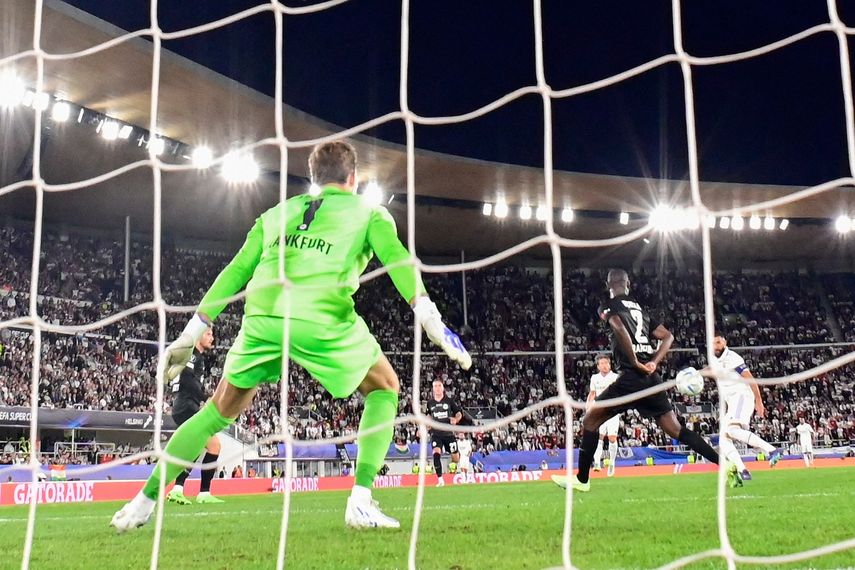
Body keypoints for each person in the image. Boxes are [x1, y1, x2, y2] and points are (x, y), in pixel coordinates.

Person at [111, 140, 471, 533]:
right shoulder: (370, 213)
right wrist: (429, 316)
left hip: (263, 317)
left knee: (215, 413)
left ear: (314, 179)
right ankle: (361, 500)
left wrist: (190, 332)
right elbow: (398, 260)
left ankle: (143, 502)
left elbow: (235, 272)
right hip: (319, 315)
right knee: (385, 387)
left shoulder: (274, 214)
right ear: (353, 179)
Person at [552, 269, 720, 492]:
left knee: (590, 422)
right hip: (652, 379)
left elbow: (619, 327)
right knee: (676, 429)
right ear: (628, 284)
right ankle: (724, 464)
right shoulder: (642, 310)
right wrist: (654, 362)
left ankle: (582, 480)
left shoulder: (608, 306)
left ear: (608, 284)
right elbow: (668, 336)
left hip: (630, 378)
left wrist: (635, 361)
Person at [708, 333, 782, 483]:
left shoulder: (733, 358)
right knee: (723, 439)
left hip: (741, 396)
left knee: (732, 431)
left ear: (725, 343)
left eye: (719, 342)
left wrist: (759, 401)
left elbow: (751, 380)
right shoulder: (715, 360)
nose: (716, 345)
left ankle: (772, 450)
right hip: (732, 402)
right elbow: (710, 370)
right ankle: (742, 469)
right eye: (714, 343)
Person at [166, 325, 224, 505]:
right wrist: (205, 397)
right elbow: (186, 379)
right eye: (208, 333)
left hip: (184, 405)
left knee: (202, 447)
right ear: (198, 336)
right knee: (213, 445)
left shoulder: (193, 356)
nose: (212, 338)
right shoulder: (192, 355)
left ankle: (179, 489)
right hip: (186, 405)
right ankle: (202, 492)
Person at [427, 380, 463, 487]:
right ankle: (440, 479)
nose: (437, 388)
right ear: (433, 389)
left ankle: (458, 468)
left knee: (455, 458)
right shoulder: (430, 403)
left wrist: (456, 420)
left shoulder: (449, 401)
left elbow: (459, 413)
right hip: (436, 434)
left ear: (443, 388)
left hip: (448, 434)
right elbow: (428, 415)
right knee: (436, 454)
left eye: (439, 386)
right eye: (435, 386)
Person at [588, 354, 620, 477]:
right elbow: (592, 394)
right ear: (598, 366)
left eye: (606, 363)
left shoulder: (615, 377)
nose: (604, 365)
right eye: (601, 363)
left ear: (609, 364)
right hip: (599, 411)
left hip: (612, 411)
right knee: (599, 437)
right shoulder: (594, 378)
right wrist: (588, 407)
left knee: (612, 439)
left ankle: (612, 462)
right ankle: (597, 463)